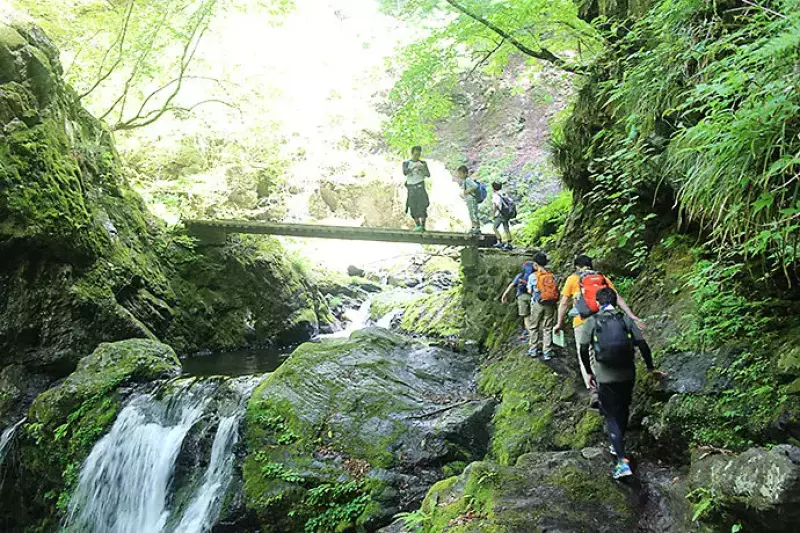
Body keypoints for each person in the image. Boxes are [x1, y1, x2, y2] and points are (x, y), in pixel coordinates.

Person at [578, 288, 666, 479]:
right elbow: (642, 344)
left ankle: (622, 461)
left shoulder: (592, 321)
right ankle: (617, 443)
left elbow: (583, 349)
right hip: (627, 374)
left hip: (605, 376)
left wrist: (589, 372)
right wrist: (651, 368)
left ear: (598, 302)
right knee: (623, 408)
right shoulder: (625, 320)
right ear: (615, 302)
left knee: (610, 415)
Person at [554, 254, 644, 408]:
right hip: (604, 320)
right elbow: (617, 298)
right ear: (590, 264)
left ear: (576, 266)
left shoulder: (572, 279)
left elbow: (564, 303)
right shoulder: (602, 278)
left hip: (582, 322)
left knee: (585, 353)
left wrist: (559, 323)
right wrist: (632, 316)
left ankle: (594, 391)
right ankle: (609, 383)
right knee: (602, 350)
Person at [526, 252, 559, 360]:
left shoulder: (532, 276)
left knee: (534, 326)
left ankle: (533, 349)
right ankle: (547, 352)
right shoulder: (552, 276)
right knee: (547, 327)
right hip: (550, 304)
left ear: (535, 264)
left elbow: (530, 291)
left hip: (537, 303)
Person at [500, 260, 535, 340]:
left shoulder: (520, 275)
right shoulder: (534, 275)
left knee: (526, 317)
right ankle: (532, 333)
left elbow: (512, 284)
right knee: (534, 316)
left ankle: (531, 335)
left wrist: (504, 294)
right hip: (532, 296)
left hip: (522, 296)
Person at [402, 146, 431, 232]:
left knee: (423, 206)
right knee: (413, 206)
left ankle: (423, 226)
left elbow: (428, 174)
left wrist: (422, 168)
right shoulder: (406, 163)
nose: (417, 156)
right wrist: (414, 167)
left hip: (420, 186)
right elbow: (405, 172)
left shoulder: (423, 163)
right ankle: (417, 225)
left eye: (418, 154)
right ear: (412, 153)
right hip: (411, 187)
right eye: (415, 154)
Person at [454, 165, 481, 234]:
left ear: (465, 173)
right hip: (469, 199)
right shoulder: (465, 180)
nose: (459, 175)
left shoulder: (468, 180)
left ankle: (476, 227)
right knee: (471, 213)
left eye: (460, 173)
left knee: (473, 213)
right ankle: (474, 227)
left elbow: (475, 186)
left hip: (471, 199)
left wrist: (467, 191)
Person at [491, 182, 514, 250]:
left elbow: (495, 205)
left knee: (494, 227)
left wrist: (493, 215)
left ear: (493, 188)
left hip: (500, 214)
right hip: (506, 213)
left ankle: (499, 242)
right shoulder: (503, 194)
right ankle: (509, 244)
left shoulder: (495, 195)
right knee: (506, 228)